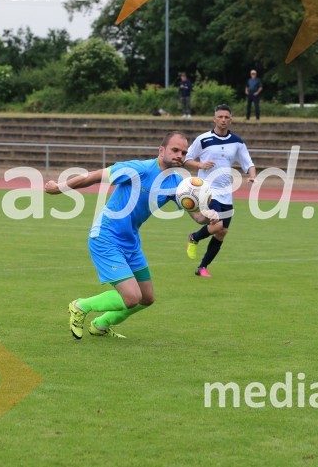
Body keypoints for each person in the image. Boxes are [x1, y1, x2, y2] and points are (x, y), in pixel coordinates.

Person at [45, 131, 218, 339]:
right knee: (131, 297)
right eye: (175, 150)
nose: (180, 155)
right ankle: (80, 306)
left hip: (131, 242)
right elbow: (94, 176)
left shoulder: (177, 183)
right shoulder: (139, 169)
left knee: (147, 298)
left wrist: (209, 215)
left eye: (184, 152)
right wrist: (59, 188)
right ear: (161, 150)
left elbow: (197, 218)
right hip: (106, 237)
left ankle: (101, 325)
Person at [185, 104, 256, 277]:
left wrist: (252, 176)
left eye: (227, 117)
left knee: (222, 232)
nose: (223, 120)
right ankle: (194, 237)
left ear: (231, 120)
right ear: (214, 118)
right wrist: (200, 164)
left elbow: (249, 163)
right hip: (208, 189)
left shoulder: (237, 142)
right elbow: (186, 159)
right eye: (220, 117)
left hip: (226, 193)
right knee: (217, 225)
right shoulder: (203, 139)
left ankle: (202, 267)